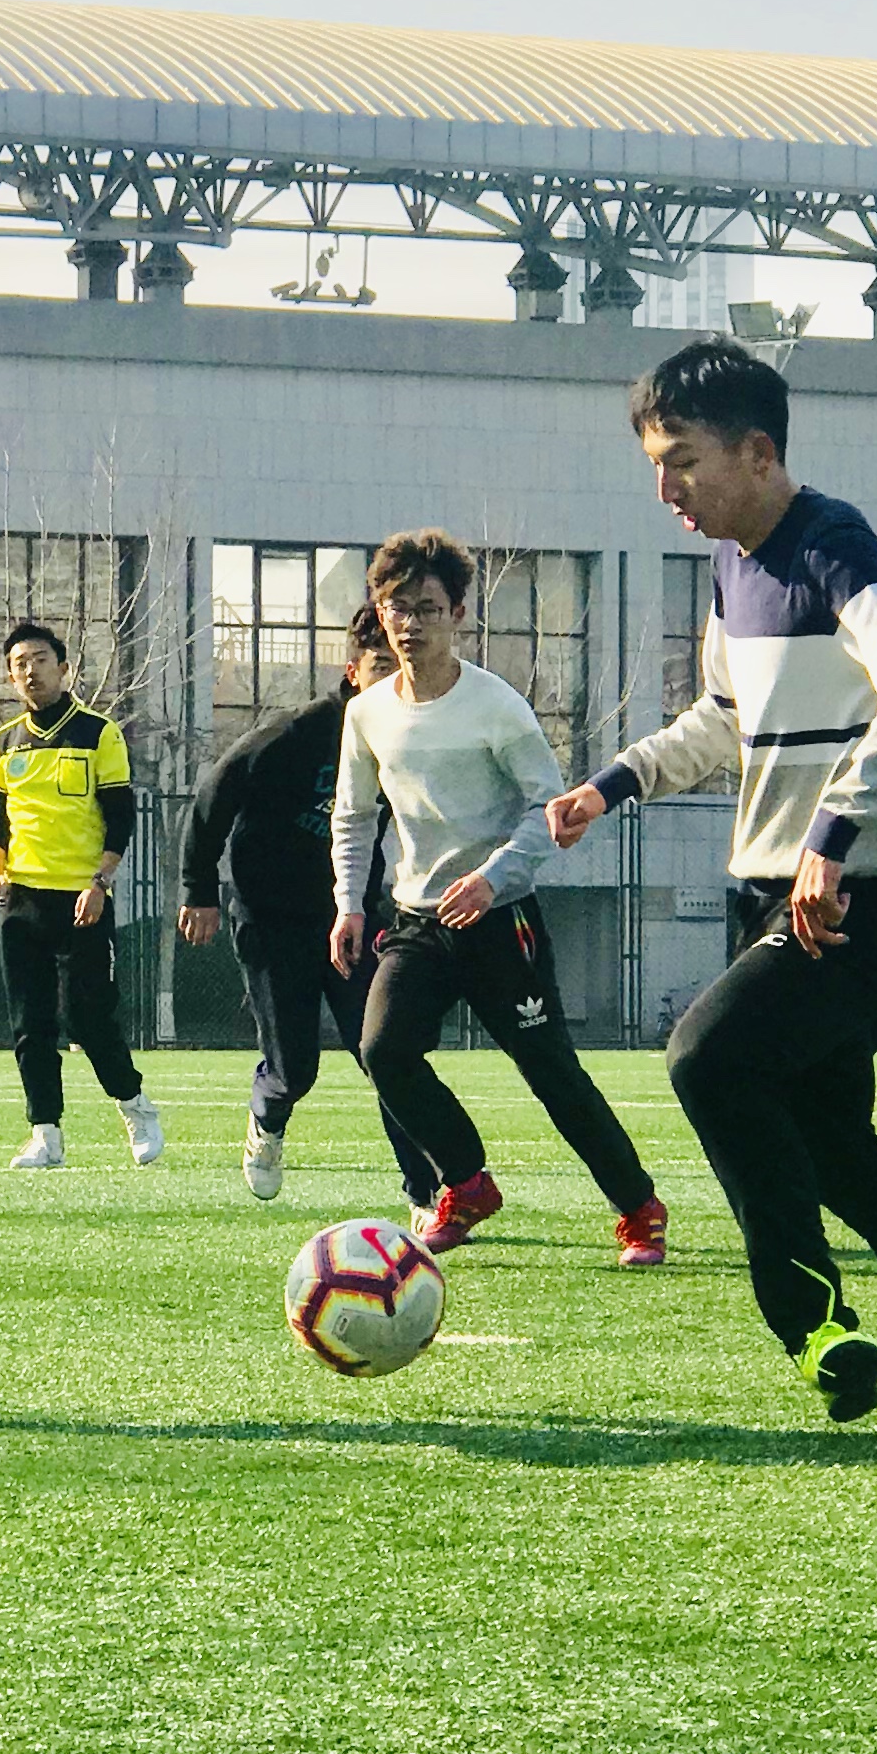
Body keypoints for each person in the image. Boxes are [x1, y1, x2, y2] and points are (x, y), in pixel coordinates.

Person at [546, 339, 877, 1420]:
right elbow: (725, 720)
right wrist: (613, 784)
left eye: (682, 462)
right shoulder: (733, 567)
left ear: (757, 451)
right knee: (832, 1143)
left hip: (859, 895)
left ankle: (813, 1324)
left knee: (707, 1059)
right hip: (780, 890)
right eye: (655, 466)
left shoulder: (831, 544)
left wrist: (834, 832)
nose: (666, 490)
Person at [327, 530, 665, 1266]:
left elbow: (549, 809)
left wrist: (493, 878)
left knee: (551, 1073)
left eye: (428, 608)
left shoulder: (495, 705)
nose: (411, 623)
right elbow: (353, 816)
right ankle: (467, 1182)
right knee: (383, 1050)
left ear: (458, 614)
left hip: (499, 920)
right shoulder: (367, 713)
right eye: (397, 608)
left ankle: (639, 1207)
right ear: (380, 615)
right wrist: (350, 903)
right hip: (417, 921)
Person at [176, 605, 432, 1207]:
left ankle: (426, 1195)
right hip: (272, 918)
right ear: (352, 670)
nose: (391, 680)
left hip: (353, 919)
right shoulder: (298, 732)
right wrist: (199, 889)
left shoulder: (408, 738)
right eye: (379, 666)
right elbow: (215, 793)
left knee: (387, 1055)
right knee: (295, 1067)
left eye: (400, 668)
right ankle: (267, 1120)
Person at [0, 620, 165, 1171]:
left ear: (64, 669)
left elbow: (120, 817)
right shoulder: (4, 742)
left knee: (89, 1020)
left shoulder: (98, 733)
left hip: (82, 899)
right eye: (20, 664)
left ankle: (134, 1105)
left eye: (40, 660)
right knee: (30, 1024)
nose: (30, 671)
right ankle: (45, 1134)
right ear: (10, 677)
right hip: (22, 902)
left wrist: (100, 883)